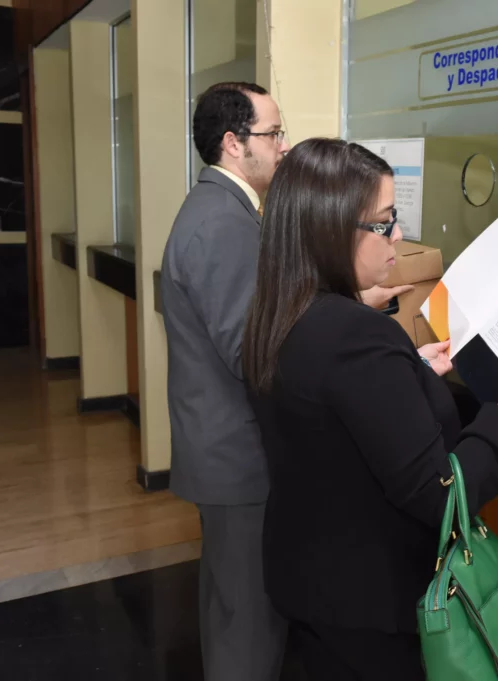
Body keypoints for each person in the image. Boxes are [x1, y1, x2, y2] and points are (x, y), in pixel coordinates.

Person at [242, 138, 498, 680]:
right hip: (370, 601)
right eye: (383, 222)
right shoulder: (356, 334)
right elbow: (441, 495)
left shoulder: (280, 312)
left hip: (308, 577)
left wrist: (409, 370)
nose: (396, 236)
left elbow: (329, 409)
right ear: (329, 229)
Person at [161, 84, 408, 681]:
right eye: (273, 134)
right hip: (237, 457)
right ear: (233, 143)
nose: (283, 145)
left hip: (224, 449)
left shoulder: (227, 210)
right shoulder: (222, 222)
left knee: (231, 606)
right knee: (247, 623)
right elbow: (252, 348)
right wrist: (349, 313)